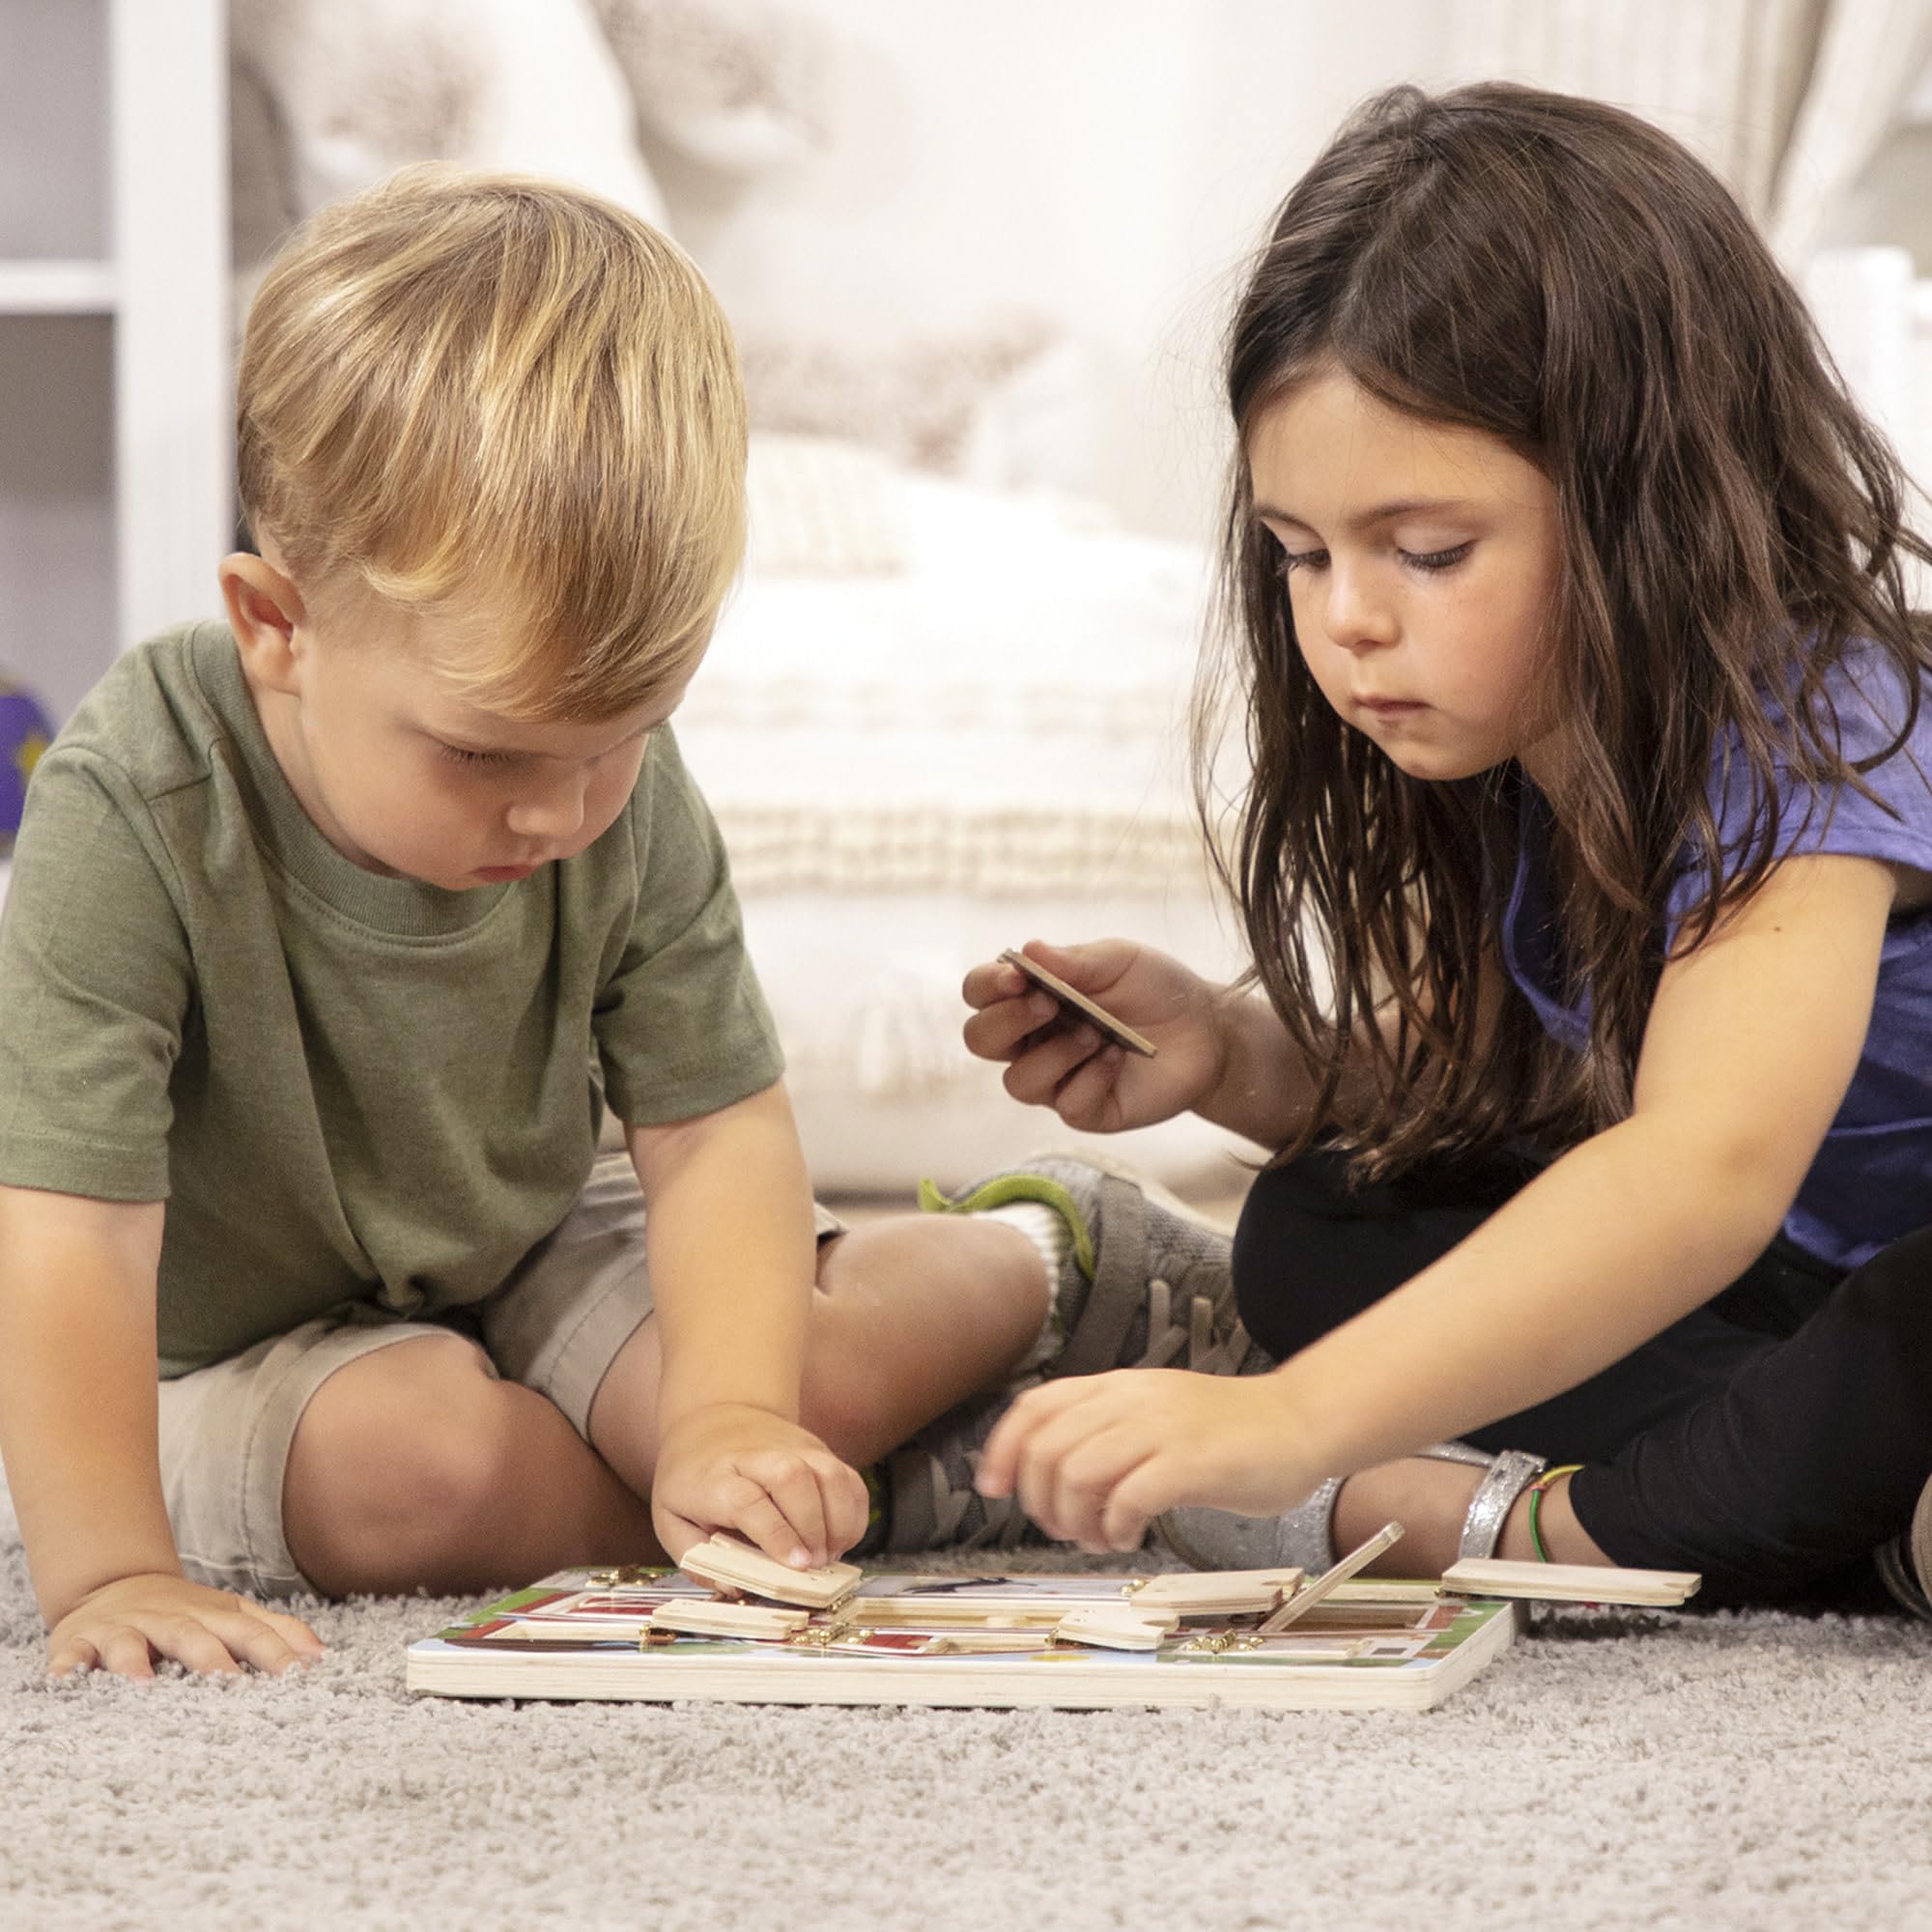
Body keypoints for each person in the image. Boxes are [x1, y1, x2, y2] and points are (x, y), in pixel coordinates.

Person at [0, 166, 1249, 1683]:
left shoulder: (613, 789)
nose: (563, 813)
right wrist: (112, 1566)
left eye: (623, 736)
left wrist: (727, 1421)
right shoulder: (136, 799)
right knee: (428, 1473)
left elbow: (712, 1129)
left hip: (533, 1228)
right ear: (276, 628)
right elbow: (69, 1230)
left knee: (779, 1383)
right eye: (486, 753)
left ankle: (1047, 1256)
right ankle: (955, 1477)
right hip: (223, 1339)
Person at [958, 81, 1932, 1619]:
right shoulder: (1517, 740)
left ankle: (1561, 1532)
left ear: (1646, 502)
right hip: (1792, 1326)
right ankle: (1848, 1524)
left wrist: (1291, 1425)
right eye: (1301, 554)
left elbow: (1704, 1173)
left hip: (1877, 1292)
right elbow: (1465, 1098)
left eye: (1428, 553)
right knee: (1324, 1213)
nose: (1350, 617)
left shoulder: (1815, 715)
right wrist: (1226, 1053)